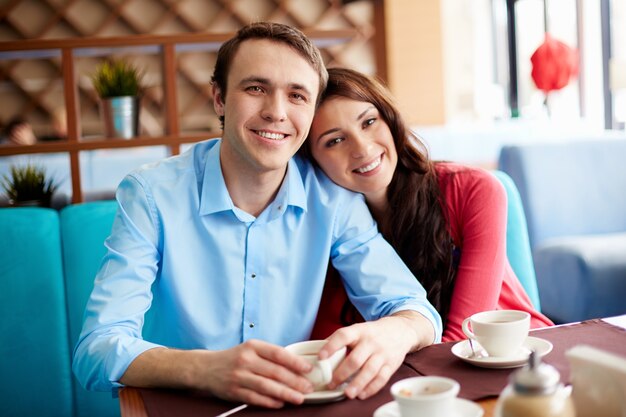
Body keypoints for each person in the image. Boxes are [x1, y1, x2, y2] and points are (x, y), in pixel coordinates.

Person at [72, 22, 441, 409]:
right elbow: (97, 348)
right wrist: (205, 369)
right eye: (255, 89)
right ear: (219, 98)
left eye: (297, 96)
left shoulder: (332, 197)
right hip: (184, 405)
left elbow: (414, 308)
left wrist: (394, 332)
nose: (276, 112)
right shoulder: (152, 194)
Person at [306, 67, 553, 343]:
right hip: (423, 373)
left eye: (368, 122)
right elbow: (324, 339)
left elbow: (468, 334)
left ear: (389, 119)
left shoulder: (473, 189)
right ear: (311, 160)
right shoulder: (331, 226)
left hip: (516, 354)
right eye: (335, 140)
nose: (361, 148)